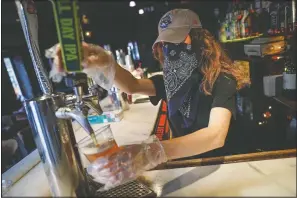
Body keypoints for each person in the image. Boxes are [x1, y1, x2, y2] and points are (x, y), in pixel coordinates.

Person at [54, 9, 249, 190]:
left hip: (227, 167)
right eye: (165, 45)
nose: (170, 50)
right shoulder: (174, 81)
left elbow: (216, 135)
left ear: (200, 40)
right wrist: (103, 63)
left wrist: (151, 153)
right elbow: (132, 85)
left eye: (178, 42)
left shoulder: (221, 79)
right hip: (189, 166)